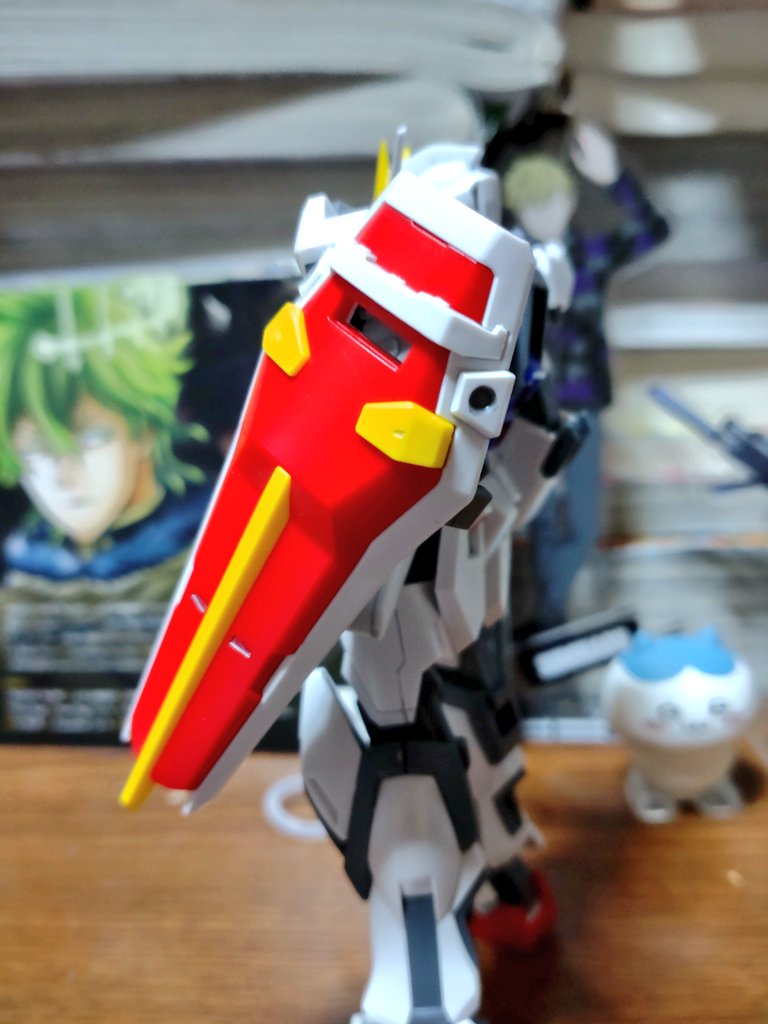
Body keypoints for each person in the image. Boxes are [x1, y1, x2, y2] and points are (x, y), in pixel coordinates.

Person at [503, 122, 670, 630]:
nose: (545, 215)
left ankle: (550, 614)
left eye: (553, 203)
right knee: (525, 518)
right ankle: (535, 615)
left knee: (580, 519)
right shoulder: (510, 261)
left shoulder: (588, 256)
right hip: (527, 412)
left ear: (570, 202)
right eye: (534, 207)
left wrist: (614, 178)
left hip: (580, 405)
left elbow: (652, 230)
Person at [0, 277, 210, 583]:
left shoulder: (211, 529)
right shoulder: (26, 559)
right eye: (36, 450)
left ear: (144, 429)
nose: (63, 476)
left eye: (90, 439)